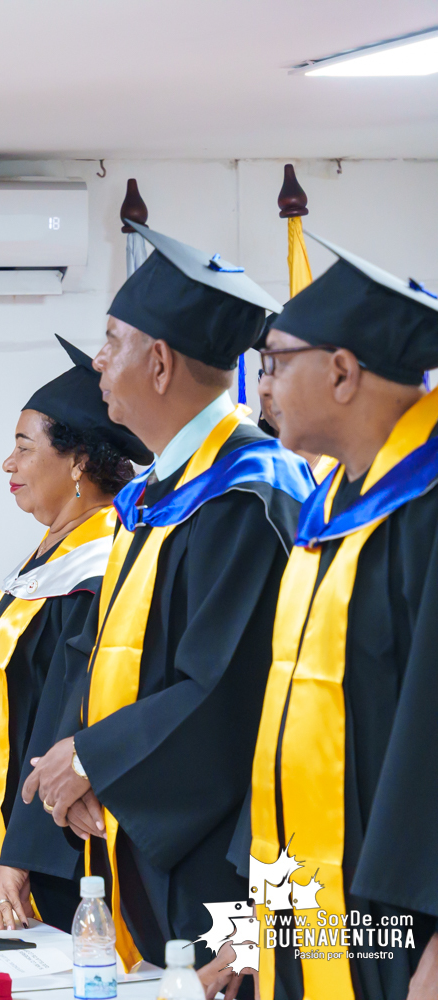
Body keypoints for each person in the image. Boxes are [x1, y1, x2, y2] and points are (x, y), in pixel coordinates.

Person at [20, 222, 315, 973]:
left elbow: (227, 689)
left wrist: (93, 758)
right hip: (141, 835)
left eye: (111, 340)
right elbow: (103, 646)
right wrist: (80, 768)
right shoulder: (153, 495)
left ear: (157, 362)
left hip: (231, 864)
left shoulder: (251, 493)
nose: (97, 360)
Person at [239, 236, 438, 1000]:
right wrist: (258, 930)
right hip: (322, 912)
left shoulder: (424, 510)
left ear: (343, 371)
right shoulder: (330, 509)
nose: (263, 384)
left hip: (404, 922)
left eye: (277, 361)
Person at [0, 336, 151, 932]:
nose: (8, 464)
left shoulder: (98, 563)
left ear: (75, 462)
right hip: (7, 841)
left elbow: (60, 716)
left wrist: (17, 859)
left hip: (59, 856)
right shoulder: (51, 554)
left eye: (23, 447)